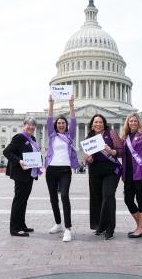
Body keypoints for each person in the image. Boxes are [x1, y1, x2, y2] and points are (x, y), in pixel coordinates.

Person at [45, 95, 79, 242]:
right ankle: (58, 223)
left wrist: (71, 106)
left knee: (64, 196)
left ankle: (68, 229)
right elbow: (49, 119)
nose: (60, 125)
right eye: (58, 123)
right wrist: (51, 104)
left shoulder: (70, 136)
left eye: (62, 123)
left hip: (65, 170)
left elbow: (73, 121)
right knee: (53, 198)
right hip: (51, 170)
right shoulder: (52, 135)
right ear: (55, 125)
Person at [84, 114, 123, 240]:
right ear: (92, 124)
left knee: (108, 196)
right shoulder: (89, 137)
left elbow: (121, 151)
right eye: (95, 122)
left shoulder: (111, 133)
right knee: (97, 199)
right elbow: (87, 157)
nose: (98, 124)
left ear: (104, 123)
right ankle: (100, 225)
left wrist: (112, 151)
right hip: (95, 171)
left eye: (100, 122)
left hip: (111, 170)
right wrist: (88, 159)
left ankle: (110, 228)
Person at [3, 116, 42, 237]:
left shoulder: (32, 138)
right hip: (21, 173)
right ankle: (14, 229)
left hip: (29, 174)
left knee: (23, 201)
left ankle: (21, 225)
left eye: (33, 125)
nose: (31, 127)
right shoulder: (19, 137)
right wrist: (19, 161)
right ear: (24, 126)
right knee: (19, 201)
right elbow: (7, 152)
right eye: (28, 125)